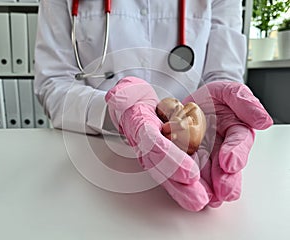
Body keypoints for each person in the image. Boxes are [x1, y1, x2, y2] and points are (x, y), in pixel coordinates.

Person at [34, 0, 273, 211]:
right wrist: (114, 112)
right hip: (98, 154)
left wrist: (220, 107)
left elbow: (223, 72)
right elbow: (54, 82)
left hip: (194, 153)